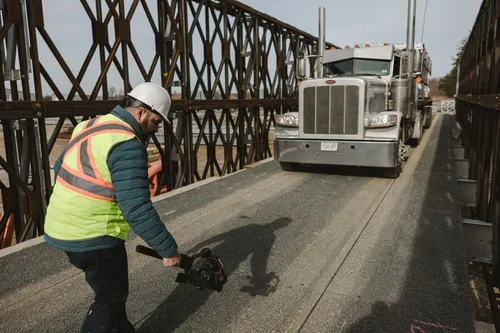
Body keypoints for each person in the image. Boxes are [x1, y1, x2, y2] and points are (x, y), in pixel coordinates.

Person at [44, 82, 181, 333]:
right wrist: (168, 249)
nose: (155, 129)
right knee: (109, 298)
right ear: (141, 112)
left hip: (60, 225)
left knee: (113, 291)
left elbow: (59, 168)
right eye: (156, 122)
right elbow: (137, 208)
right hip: (94, 234)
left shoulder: (88, 125)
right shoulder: (127, 143)